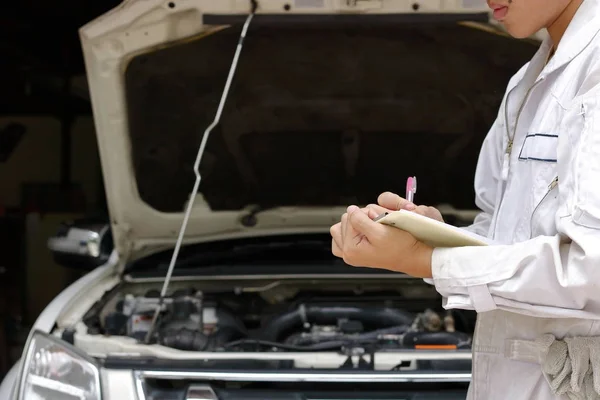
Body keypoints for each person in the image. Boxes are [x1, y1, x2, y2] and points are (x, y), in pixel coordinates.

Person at [330, 0, 600, 398]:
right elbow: (502, 231)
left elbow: (590, 270)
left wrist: (425, 260)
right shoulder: (527, 82)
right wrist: (431, 235)